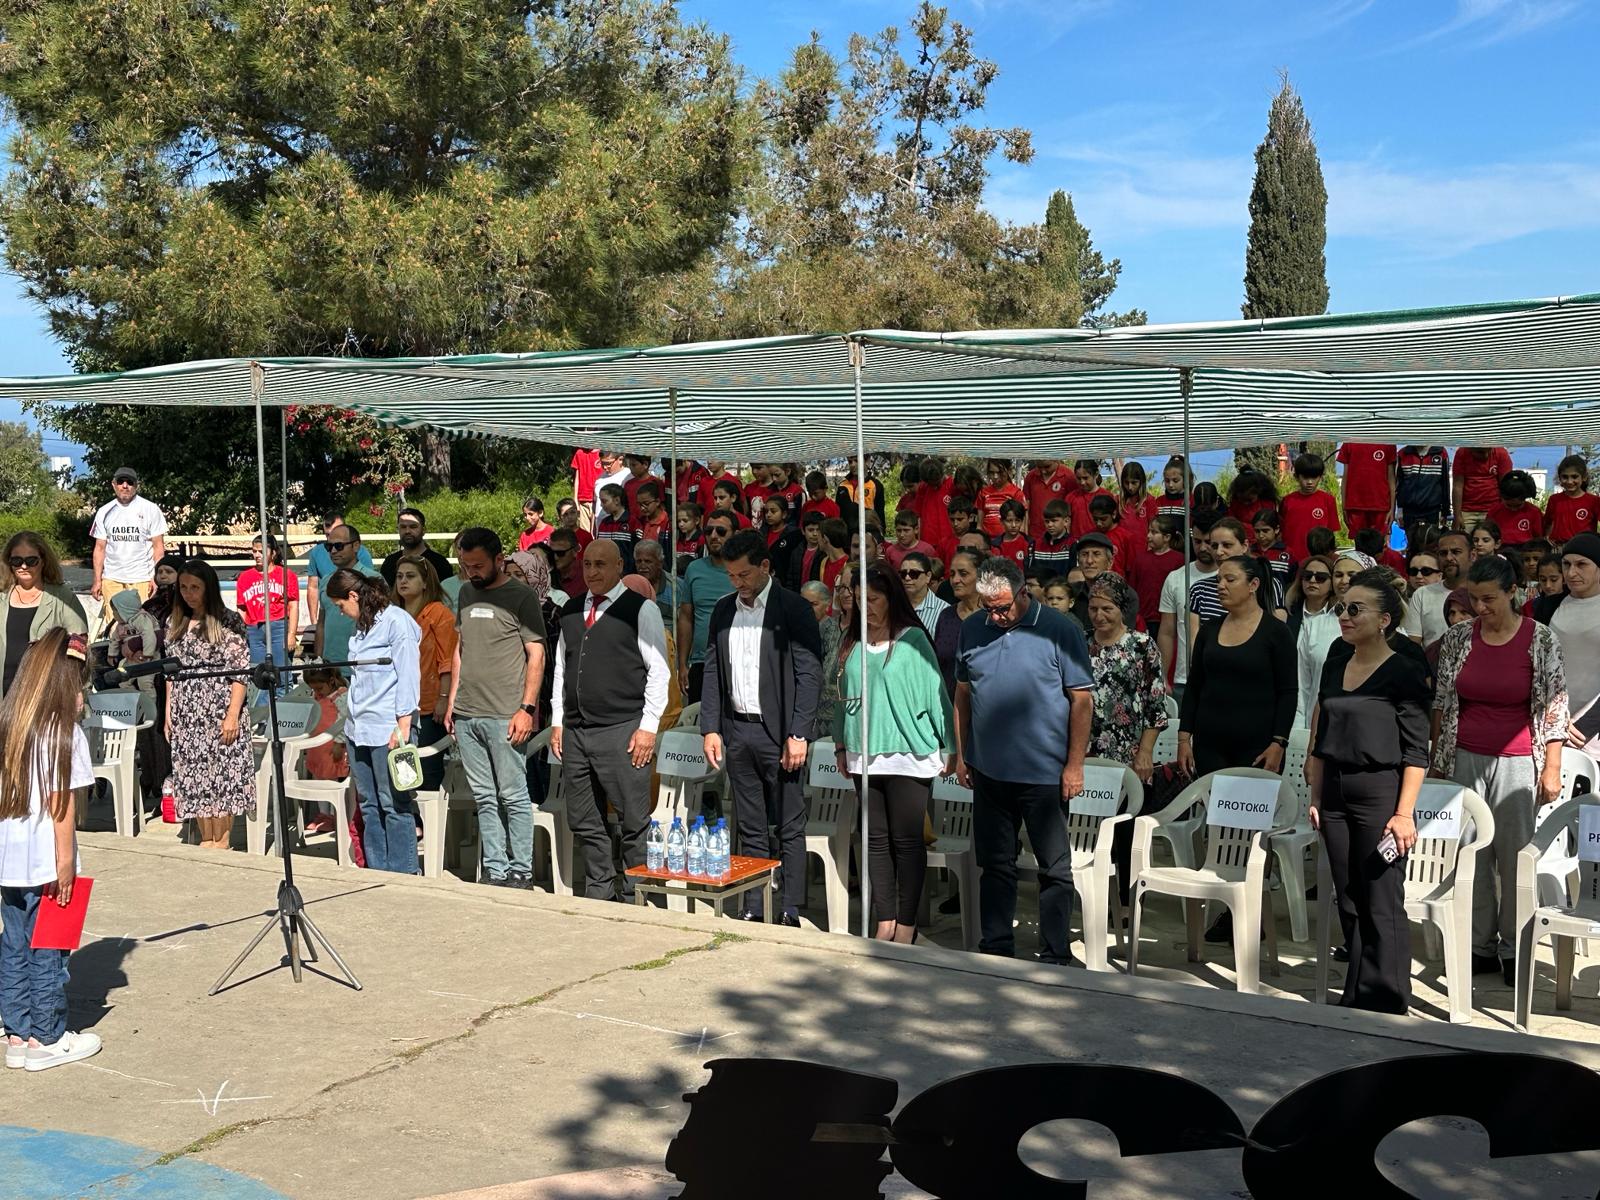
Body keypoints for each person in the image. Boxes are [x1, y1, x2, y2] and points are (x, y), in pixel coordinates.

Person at [1431, 554, 1568, 984]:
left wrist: (1552, 766)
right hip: (1463, 756)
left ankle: (1514, 946)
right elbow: (1442, 700)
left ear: (1513, 592)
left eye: (1489, 598)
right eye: (1474, 598)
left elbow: (1555, 706)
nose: (1481, 607)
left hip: (1518, 760)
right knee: (1469, 854)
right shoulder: (1459, 637)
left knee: (1514, 858)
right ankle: (1480, 945)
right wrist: (1437, 760)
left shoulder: (1539, 638)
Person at [954, 556, 1093, 965]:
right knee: (995, 864)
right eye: (988, 608)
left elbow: (1081, 701)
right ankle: (996, 947)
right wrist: (962, 754)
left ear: (1023, 592)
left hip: (1044, 772)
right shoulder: (973, 627)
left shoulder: (1060, 629)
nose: (995, 616)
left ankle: (1055, 952)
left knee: (1054, 868)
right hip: (989, 770)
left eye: (1002, 607)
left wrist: (1074, 765)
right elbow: (962, 693)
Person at [1306, 568, 1430, 1014]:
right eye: (1342, 607)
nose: (1345, 615)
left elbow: (1416, 752)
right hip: (1335, 793)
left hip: (1380, 792)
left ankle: (1387, 997)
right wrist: (1316, 796)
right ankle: (1357, 992)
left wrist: (1403, 813)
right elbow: (1322, 737)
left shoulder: (1404, 671)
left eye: (1355, 609)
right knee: (1349, 897)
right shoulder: (1336, 662)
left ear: (1384, 620)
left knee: (1380, 896)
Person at [700, 529, 822, 926]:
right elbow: (713, 670)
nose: (738, 583)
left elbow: (809, 675)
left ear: (765, 566)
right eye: (731, 576)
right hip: (738, 730)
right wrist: (710, 727)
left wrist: (799, 733)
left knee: (788, 823)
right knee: (749, 825)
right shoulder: (724, 610)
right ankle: (753, 903)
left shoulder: (792, 608)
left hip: (781, 733)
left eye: (744, 575)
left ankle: (790, 907)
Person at [832, 563, 954, 943]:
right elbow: (841, 697)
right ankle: (884, 921)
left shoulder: (913, 639)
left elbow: (937, 695)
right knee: (874, 840)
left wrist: (951, 745)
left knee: (907, 841)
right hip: (863, 752)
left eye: (873, 599)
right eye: (859, 599)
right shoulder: (852, 641)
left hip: (908, 753)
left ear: (891, 598)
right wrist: (840, 743)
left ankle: (907, 924)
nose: (865, 606)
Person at [0, 628, 103, 1071]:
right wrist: (66, 865)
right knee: (50, 951)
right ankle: (47, 1037)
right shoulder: (65, 736)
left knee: (14, 946)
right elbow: (63, 810)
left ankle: (17, 1033)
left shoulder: (10, 725)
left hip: (8, 863)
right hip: (48, 863)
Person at [551, 541, 670, 902]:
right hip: (577, 731)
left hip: (623, 729)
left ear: (620, 566)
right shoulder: (572, 609)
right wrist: (557, 721)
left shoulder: (641, 609)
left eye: (601, 564)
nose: (592, 571)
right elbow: (561, 668)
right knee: (585, 818)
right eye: (587, 564)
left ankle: (639, 895)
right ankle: (600, 891)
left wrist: (648, 727)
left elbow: (659, 672)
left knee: (633, 818)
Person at [445, 528, 547, 888]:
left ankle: (521, 870)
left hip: (506, 713)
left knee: (513, 795)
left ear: (498, 559)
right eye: (466, 565)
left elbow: (536, 654)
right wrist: (452, 700)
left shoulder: (521, 596)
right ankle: (495, 868)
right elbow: (460, 649)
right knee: (484, 797)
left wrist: (526, 708)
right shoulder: (465, 593)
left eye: (478, 565)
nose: (471, 572)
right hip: (467, 712)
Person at [326, 569, 422, 874]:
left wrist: (403, 725)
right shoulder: (361, 627)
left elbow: (409, 675)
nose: (340, 612)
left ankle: (404, 872)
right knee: (368, 804)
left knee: (393, 802)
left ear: (354, 595)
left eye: (341, 605)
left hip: (389, 728)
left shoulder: (397, 621)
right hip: (359, 728)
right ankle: (378, 870)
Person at [1177, 555, 1296, 779]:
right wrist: (1183, 739)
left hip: (1258, 746)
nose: (1221, 586)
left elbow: (1288, 692)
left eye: (1230, 580)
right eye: (1218, 580)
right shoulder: (1209, 630)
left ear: (1253, 585)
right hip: (1209, 744)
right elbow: (1194, 686)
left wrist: (1279, 742)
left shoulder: (1277, 633)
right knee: (1211, 802)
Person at [165, 560, 254, 851]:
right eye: (183, 588)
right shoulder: (174, 622)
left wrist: (232, 715)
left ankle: (222, 840)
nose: (189, 593)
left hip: (219, 706)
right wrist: (168, 712)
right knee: (194, 775)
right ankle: (206, 838)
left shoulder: (228, 621)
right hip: (186, 709)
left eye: (195, 587)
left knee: (222, 773)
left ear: (209, 588)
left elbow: (240, 671)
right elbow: (170, 672)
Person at [1084, 574, 1167, 782]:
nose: (1099, 616)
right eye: (1093, 609)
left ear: (1121, 609)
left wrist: (1145, 752)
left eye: (1107, 609)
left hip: (1130, 750)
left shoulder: (1142, 645)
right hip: (1085, 749)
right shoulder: (1080, 643)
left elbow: (1155, 705)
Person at [0, 533, 87, 701]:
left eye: (31, 560)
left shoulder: (63, 598)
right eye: (16, 561)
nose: (23, 566)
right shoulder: (1, 597)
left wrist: (76, 688)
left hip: (45, 695)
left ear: (43, 561)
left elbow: (79, 647)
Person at [392, 558, 456, 787]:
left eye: (410, 576)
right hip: (396, 705)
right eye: (399, 576)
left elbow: (448, 661)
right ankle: (408, 810)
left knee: (426, 771)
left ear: (426, 582)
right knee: (403, 774)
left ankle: (425, 811)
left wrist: (444, 698)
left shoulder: (439, 613)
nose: (403, 581)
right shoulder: (392, 613)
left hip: (429, 706)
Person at [1541, 533, 1600, 749]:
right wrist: (1550, 718)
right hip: (1550, 723)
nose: (1572, 572)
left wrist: (1584, 726)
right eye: (1566, 564)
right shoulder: (1547, 606)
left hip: (1590, 734)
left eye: (1582, 564)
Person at [677, 515, 737, 701]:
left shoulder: (743, 571)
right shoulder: (694, 569)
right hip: (701, 662)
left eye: (721, 531)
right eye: (709, 531)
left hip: (737, 662)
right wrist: (682, 663)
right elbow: (686, 617)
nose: (714, 536)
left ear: (735, 535)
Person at [1159, 524, 1218, 704]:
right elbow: (1167, 632)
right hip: (1185, 679)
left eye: (1208, 542)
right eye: (1197, 541)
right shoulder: (1176, 578)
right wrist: (1163, 676)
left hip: (1223, 677)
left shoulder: (1231, 580)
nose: (1203, 548)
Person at [235, 534, 299, 688]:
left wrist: (291, 634)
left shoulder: (286, 575)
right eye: (254, 551)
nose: (257, 555)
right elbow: (241, 609)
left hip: (279, 626)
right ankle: (263, 704)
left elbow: (293, 605)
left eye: (262, 551)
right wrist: (242, 632)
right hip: (254, 629)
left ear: (273, 553)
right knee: (259, 677)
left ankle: (283, 703)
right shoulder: (244, 577)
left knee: (282, 675)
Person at [1286, 555, 1339, 728]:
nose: (1313, 581)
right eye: (1307, 576)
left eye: (1321, 577)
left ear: (1332, 582)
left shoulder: (1340, 620)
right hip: (1292, 707)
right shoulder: (1287, 615)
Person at [898, 550, 958, 692]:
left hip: (928, 684)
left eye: (914, 574)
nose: (907, 578)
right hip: (898, 681)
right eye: (903, 574)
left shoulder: (944, 611)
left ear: (928, 577)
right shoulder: (892, 607)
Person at [305, 513, 375, 629]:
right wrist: (314, 622)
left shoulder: (362, 553)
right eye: (328, 535)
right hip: (329, 625)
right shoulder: (317, 554)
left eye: (336, 532)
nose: (333, 550)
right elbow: (313, 587)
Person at [313, 526, 364, 670]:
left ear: (356, 546)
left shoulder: (371, 580)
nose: (333, 551)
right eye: (329, 547)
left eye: (339, 546)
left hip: (361, 667)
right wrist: (318, 660)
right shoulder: (326, 581)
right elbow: (321, 623)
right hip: (330, 669)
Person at [1280, 453, 1340, 562]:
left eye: (1314, 477)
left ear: (1320, 477)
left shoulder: (1328, 500)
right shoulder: (1287, 501)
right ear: (1296, 477)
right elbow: (1280, 531)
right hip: (1291, 559)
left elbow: (1331, 533)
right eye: (1305, 477)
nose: (1310, 482)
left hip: (1319, 560)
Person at [801, 581, 840, 739]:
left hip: (823, 706)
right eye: (804, 603)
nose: (808, 609)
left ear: (827, 604)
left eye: (814, 604)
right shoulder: (797, 627)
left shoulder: (833, 629)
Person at [380, 507, 454, 588]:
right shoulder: (389, 563)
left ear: (424, 530)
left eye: (413, 526)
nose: (407, 531)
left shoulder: (439, 564)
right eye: (403, 527)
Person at [1336, 444, 1398, 537]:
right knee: (1359, 542)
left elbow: (1391, 479)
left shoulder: (1387, 443)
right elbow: (1345, 477)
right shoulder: (1349, 443)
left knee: (1378, 542)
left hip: (1381, 506)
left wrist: (1392, 509)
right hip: (1355, 505)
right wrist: (1344, 507)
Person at [1397, 445, 1452, 547]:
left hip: (1432, 510)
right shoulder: (1403, 454)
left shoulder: (1441, 452)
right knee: (1411, 546)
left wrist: (1445, 511)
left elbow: (1445, 483)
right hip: (1409, 511)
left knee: (1431, 546)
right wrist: (1399, 511)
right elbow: (1399, 484)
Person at [1452, 446, 1514, 532]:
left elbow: (1506, 486)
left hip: (1493, 509)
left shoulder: (1501, 453)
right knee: (1461, 537)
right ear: (1470, 449)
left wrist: (1504, 513)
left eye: (1488, 451)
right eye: (1480, 452)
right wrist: (1457, 515)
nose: (1486, 455)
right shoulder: (1462, 453)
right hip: (1467, 510)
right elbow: (1457, 486)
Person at [1546, 455, 1599, 543]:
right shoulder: (1554, 500)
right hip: (1558, 547)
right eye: (1565, 477)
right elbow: (1547, 524)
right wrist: (1546, 540)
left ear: (1584, 477)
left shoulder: (1594, 501)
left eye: (1574, 477)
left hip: (1584, 547)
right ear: (1559, 478)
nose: (1569, 481)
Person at [1485, 470, 1544, 548]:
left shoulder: (1534, 512)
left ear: (1524, 499)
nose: (1513, 509)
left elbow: (1538, 537)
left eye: (1518, 506)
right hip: (1501, 548)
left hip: (1526, 549)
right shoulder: (1495, 512)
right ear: (1502, 498)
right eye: (1509, 505)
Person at [1405, 550, 1449, 646]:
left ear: (1440, 575)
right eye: (1413, 572)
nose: (1418, 576)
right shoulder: (1403, 600)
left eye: (1426, 571)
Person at [976, 459, 1025, 539]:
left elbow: (1022, 524)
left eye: (1000, 472)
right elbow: (979, 525)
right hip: (987, 540)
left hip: (1008, 540)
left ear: (1009, 471)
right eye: (992, 473)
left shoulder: (1016, 493)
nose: (995, 476)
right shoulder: (983, 493)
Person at [631, 539, 676, 623]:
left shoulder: (675, 587)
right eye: (639, 561)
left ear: (660, 563)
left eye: (648, 561)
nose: (642, 566)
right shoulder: (630, 587)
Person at [570, 448, 602, 531]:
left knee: (597, 531)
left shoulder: (602, 453)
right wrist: (575, 499)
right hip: (583, 500)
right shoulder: (579, 453)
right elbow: (577, 478)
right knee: (585, 532)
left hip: (599, 500)